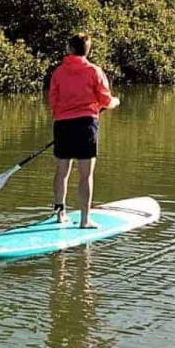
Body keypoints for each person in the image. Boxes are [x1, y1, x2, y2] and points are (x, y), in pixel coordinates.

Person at [46, 32, 119, 228]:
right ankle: (85, 220)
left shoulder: (59, 72)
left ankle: (60, 214)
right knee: (86, 174)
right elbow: (105, 100)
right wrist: (115, 102)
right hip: (86, 124)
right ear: (87, 50)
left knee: (62, 171)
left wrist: (62, 115)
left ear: (69, 49)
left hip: (62, 124)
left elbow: (53, 100)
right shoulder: (95, 71)